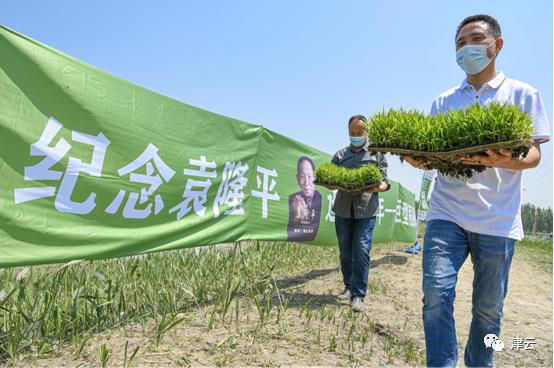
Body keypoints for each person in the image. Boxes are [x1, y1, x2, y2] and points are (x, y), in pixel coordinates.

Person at [404, 14, 550, 367]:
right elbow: (435, 151)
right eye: (460, 42)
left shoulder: (523, 94)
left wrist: (502, 159)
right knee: (436, 294)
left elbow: (534, 154)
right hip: (447, 212)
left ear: (496, 45)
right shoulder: (444, 101)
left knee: (488, 310)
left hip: (497, 220)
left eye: (475, 38)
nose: (466, 47)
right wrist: (424, 160)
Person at [332, 115, 390, 312]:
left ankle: (358, 294)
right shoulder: (340, 155)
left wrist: (378, 187)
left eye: (360, 132)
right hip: (343, 209)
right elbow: (331, 177)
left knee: (362, 250)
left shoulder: (377, 154)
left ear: (366, 132)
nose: (356, 135)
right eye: (352, 133)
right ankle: (348, 286)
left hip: (366, 210)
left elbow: (384, 181)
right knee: (345, 250)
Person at [287, 156, 322, 242]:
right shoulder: (293, 199)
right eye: (302, 177)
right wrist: (296, 217)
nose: (306, 182)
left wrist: (302, 217)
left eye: (310, 177)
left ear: (315, 178)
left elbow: (312, 235)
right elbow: (289, 233)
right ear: (298, 178)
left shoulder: (319, 197)